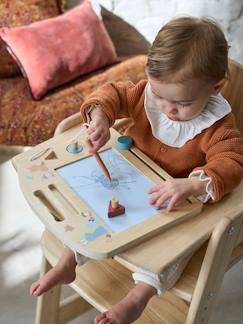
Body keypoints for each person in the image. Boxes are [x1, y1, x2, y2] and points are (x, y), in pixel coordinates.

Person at [30, 16, 243, 324]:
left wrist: (193, 185)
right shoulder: (148, 95)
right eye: (159, 96)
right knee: (94, 215)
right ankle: (68, 259)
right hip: (130, 183)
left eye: (181, 103)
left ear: (216, 88)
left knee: (172, 253)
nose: (168, 109)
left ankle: (137, 296)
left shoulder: (217, 126)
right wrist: (101, 118)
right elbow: (113, 94)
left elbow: (232, 163)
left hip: (173, 204)